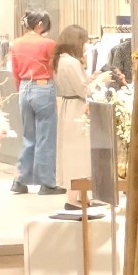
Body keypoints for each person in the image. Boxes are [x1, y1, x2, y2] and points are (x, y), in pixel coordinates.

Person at [9, 10, 61, 195]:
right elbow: (54, 68)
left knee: (28, 136)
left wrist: (22, 89)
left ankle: (20, 180)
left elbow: (15, 72)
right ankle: (47, 183)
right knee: (46, 137)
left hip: (24, 88)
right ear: (40, 24)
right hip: (43, 86)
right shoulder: (48, 44)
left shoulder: (16, 44)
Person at [52, 23, 93, 196]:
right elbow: (84, 90)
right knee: (79, 152)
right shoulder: (72, 62)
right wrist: (99, 81)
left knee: (70, 152)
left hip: (68, 108)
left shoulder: (61, 61)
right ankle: (75, 197)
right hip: (77, 109)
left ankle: (79, 196)